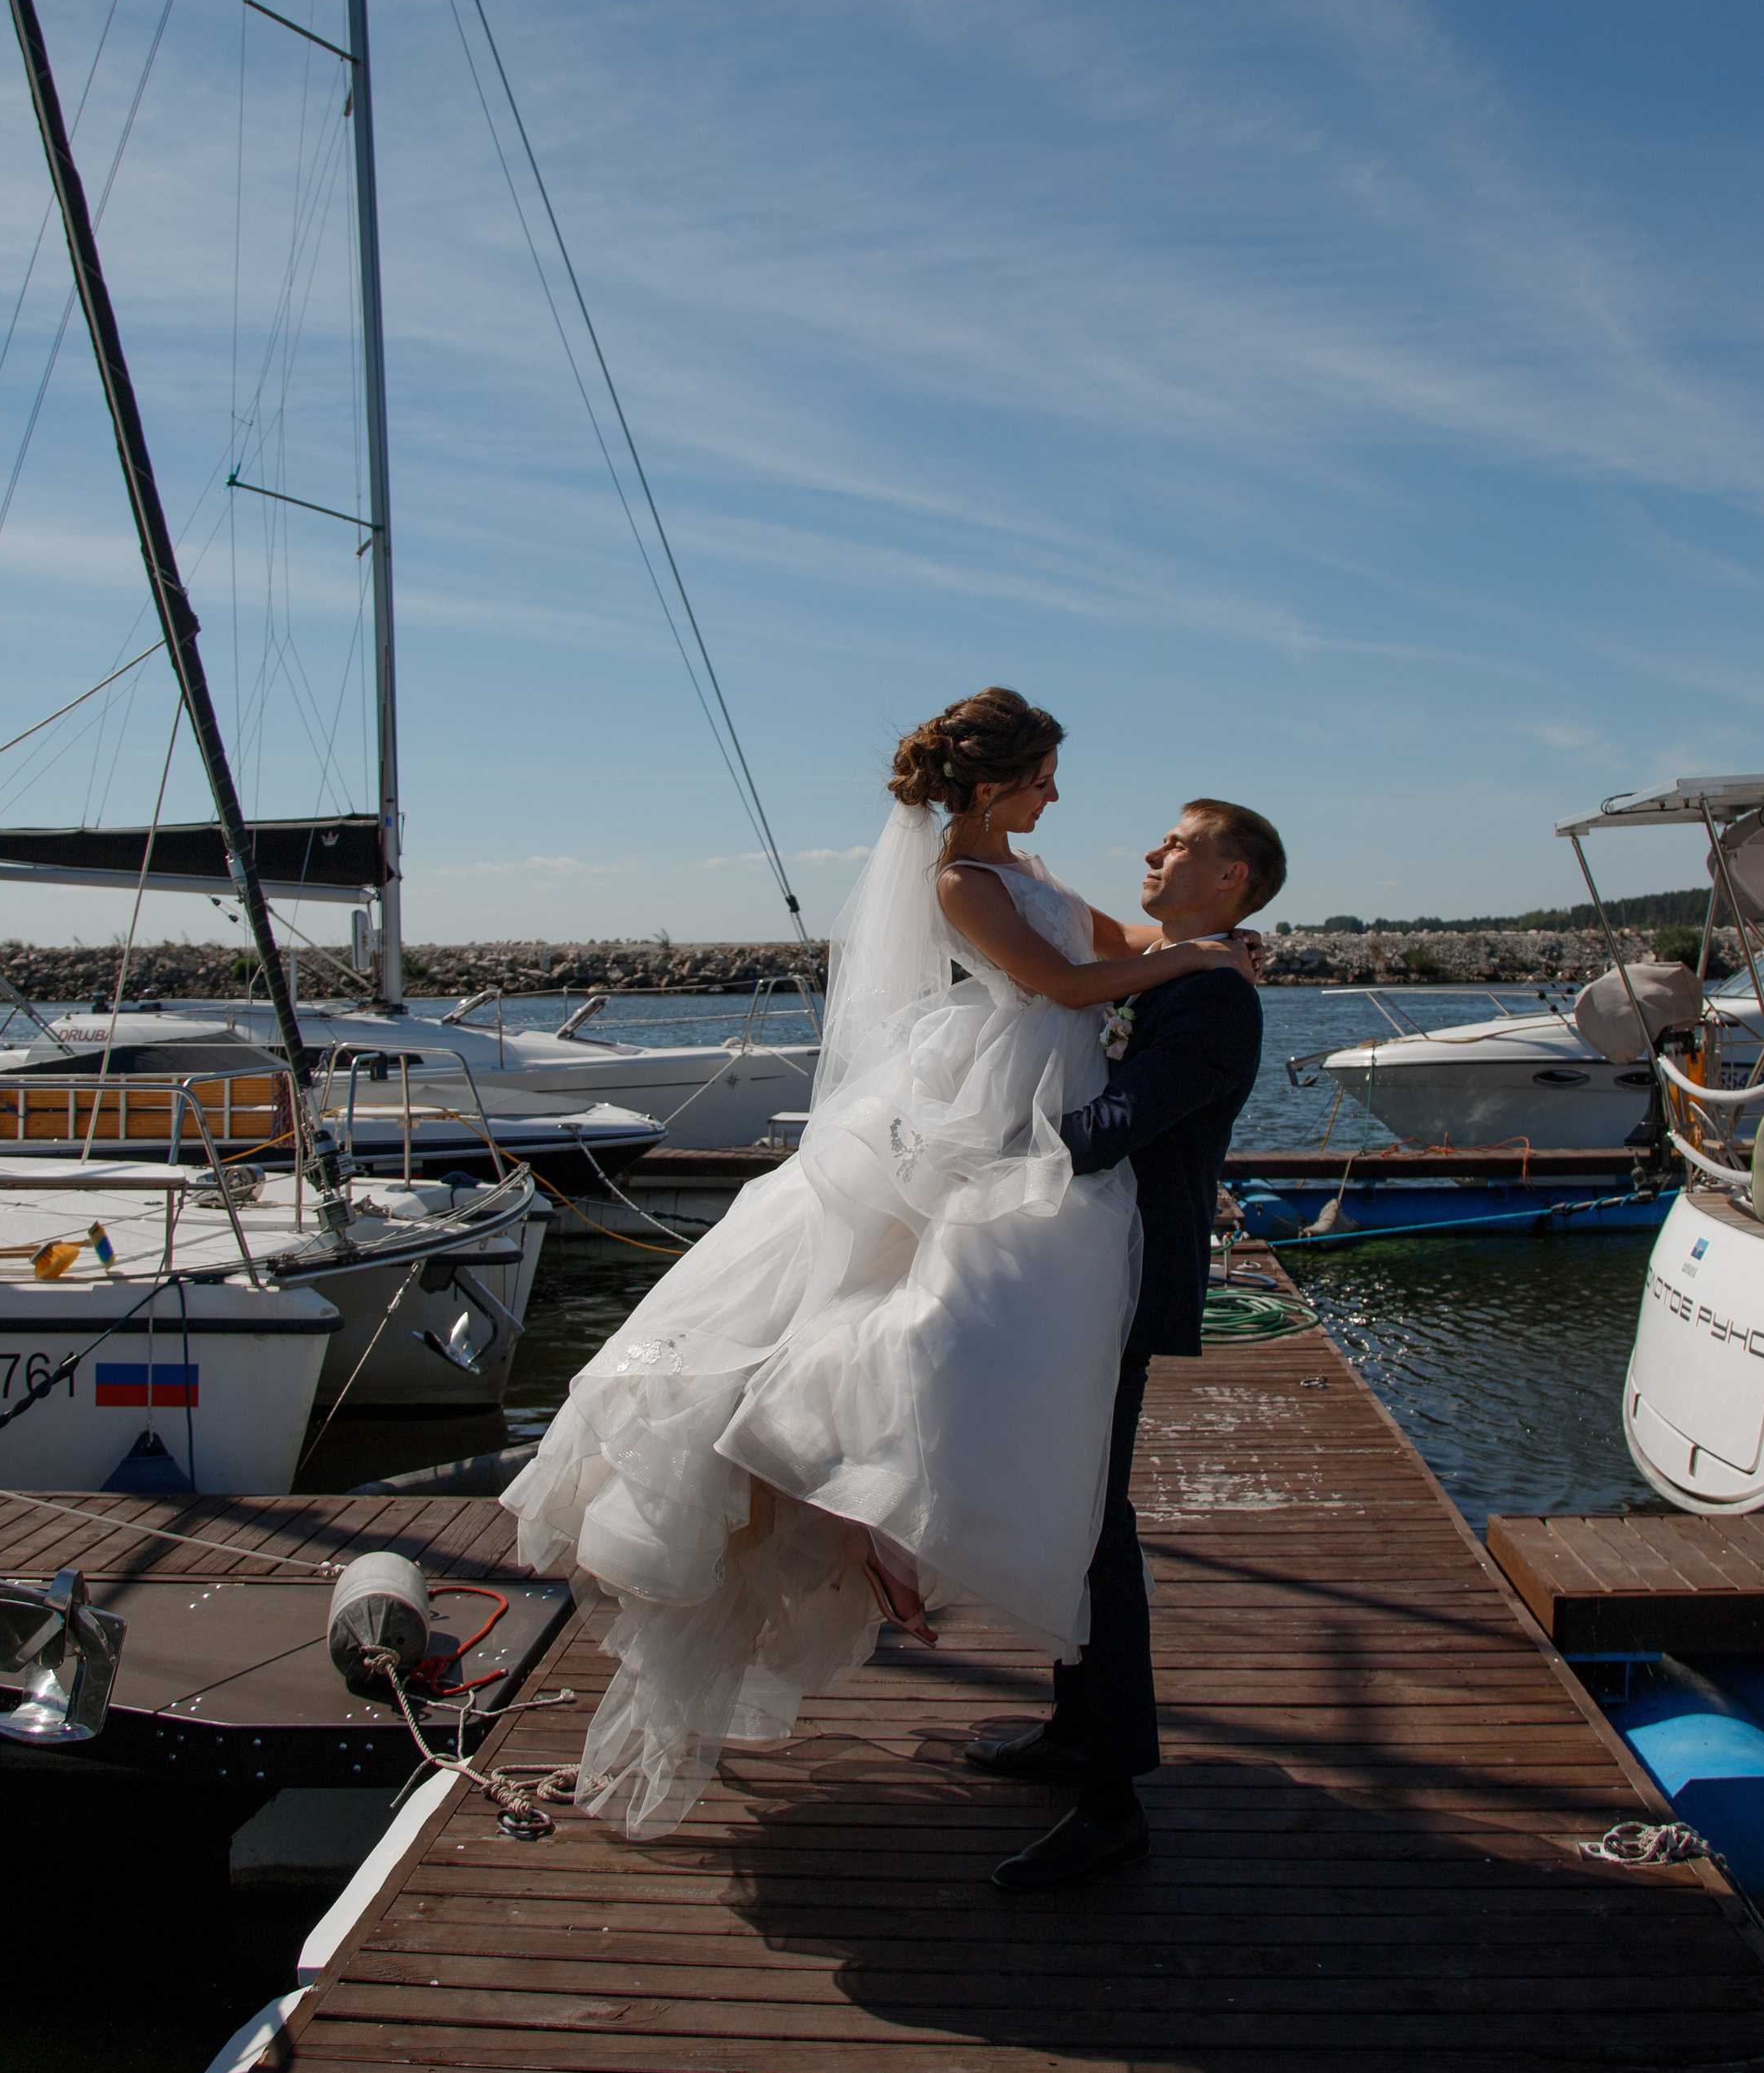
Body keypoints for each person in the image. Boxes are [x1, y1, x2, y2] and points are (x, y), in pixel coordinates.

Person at [503, 688, 1257, 1843]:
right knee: (922, 1361)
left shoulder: (1040, 876)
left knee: (1067, 1487)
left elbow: (1121, 946)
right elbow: (1064, 987)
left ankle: (1076, 1738)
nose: (1061, 793)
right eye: (1047, 773)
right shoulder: (963, 880)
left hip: (1067, 1168)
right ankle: (905, 1548)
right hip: (1022, 1125)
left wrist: (1209, 952)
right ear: (997, 781)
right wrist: (1201, 957)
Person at [968, 797, 1285, 1891]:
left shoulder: (1215, 1005)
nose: (1154, 853)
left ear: (1231, 876)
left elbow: (1112, 1130)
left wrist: (978, 1155)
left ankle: (1113, 1803)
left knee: (1096, 1524)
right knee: (1071, 1505)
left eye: (1180, 845)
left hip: (1125, 1277)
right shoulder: (1191, 974)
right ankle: (1071, 1728)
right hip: (1081, 1273)